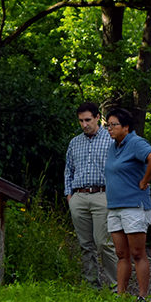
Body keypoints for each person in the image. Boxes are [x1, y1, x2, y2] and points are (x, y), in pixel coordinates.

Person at [104, 107, 151, 300]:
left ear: (126, 127)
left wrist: (145, 181)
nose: (110, 129)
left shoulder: (136, 143)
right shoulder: (114, 146)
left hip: (134, 206)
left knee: (137, 252)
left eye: (114, 125)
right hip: (115, 206)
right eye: (108, 125)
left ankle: (142, 296)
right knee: (121, 253)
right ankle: (121, 294)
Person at [64, 102, 118, 289]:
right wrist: (69, 196)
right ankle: (91, 285)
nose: (84, 124)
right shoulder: (75, 142)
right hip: (79, 196)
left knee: (104, 243)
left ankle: (116, 286)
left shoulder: (111, 140)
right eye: (81, 121)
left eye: (88, 120)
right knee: (85, 244)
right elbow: (68, 171)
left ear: (97, 118)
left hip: (102, 195)